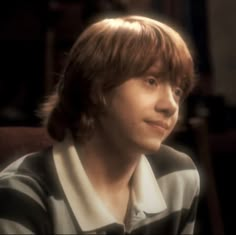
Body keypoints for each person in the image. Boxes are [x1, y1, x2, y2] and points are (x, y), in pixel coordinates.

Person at [0, 15, 200, 234]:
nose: (170, 105)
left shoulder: (179, 177)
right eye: (151, 81)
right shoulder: (21, 195)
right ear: (97, 88)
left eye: (177, 91)